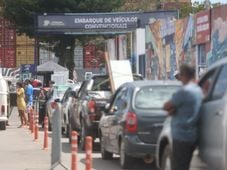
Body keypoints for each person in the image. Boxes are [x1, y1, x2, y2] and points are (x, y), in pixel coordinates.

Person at [163, 64, 203, 170]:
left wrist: (173, 110)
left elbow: (166, 106)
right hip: (193, 136)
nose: (180, 78)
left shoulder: (184, 91)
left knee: (179, 166)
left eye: (180, 75)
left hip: (181, 136)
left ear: (184, 75)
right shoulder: (198, 90)